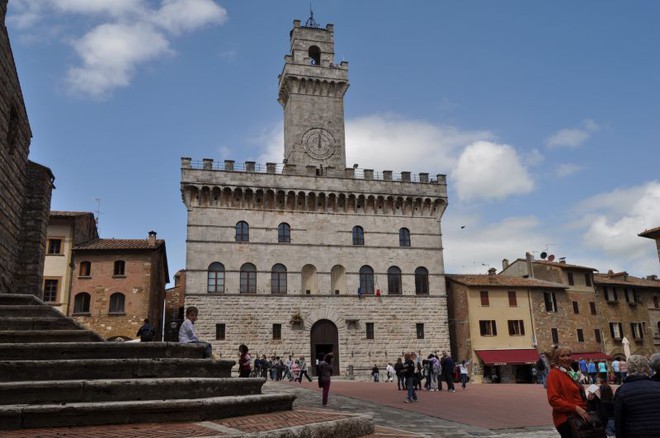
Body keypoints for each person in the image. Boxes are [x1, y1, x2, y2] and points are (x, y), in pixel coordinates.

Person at [546, 346, 591, 438]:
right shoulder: (554, 374)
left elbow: (578, 391)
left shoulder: (571, 372)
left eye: (568, 355)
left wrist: (588, 396)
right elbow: (553, 400)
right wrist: (575, 408)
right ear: (556, 358)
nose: (566, 358)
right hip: (567, 419)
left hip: (581, 415)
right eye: (562, 356)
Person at [614, 354, 660, 438]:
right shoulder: (658, 386)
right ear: (647, 369)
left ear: (628, 370)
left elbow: (619, 422)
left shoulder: (622, 391)